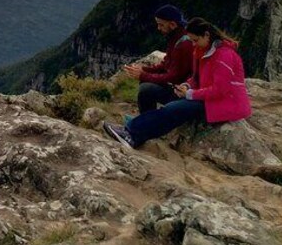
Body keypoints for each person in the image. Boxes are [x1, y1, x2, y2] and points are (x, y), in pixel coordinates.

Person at [104, 17, 252, 148]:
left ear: (206, 35)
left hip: (221, 104)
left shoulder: (224, 55)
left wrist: (190, 94)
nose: (193, 45)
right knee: (148, 91)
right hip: (204, 97)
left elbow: (220, 90)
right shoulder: (202, 51)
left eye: (195, 40)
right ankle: (145, 126)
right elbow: (196, 78)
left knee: (173, 108)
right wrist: (187, 85)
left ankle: (132, 134)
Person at [122, 4, 193, 115]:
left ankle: (147, 124)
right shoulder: (176, 37)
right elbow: (166, 64)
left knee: (146, 89)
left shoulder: (184, 44)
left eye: (161, 25)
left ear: (172, 24)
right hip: (181, 86)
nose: (158, 28)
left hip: (184, 92)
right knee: (146, 83)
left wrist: (143, 75)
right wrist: (144, 70)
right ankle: (147, 119)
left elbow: (174, 76)